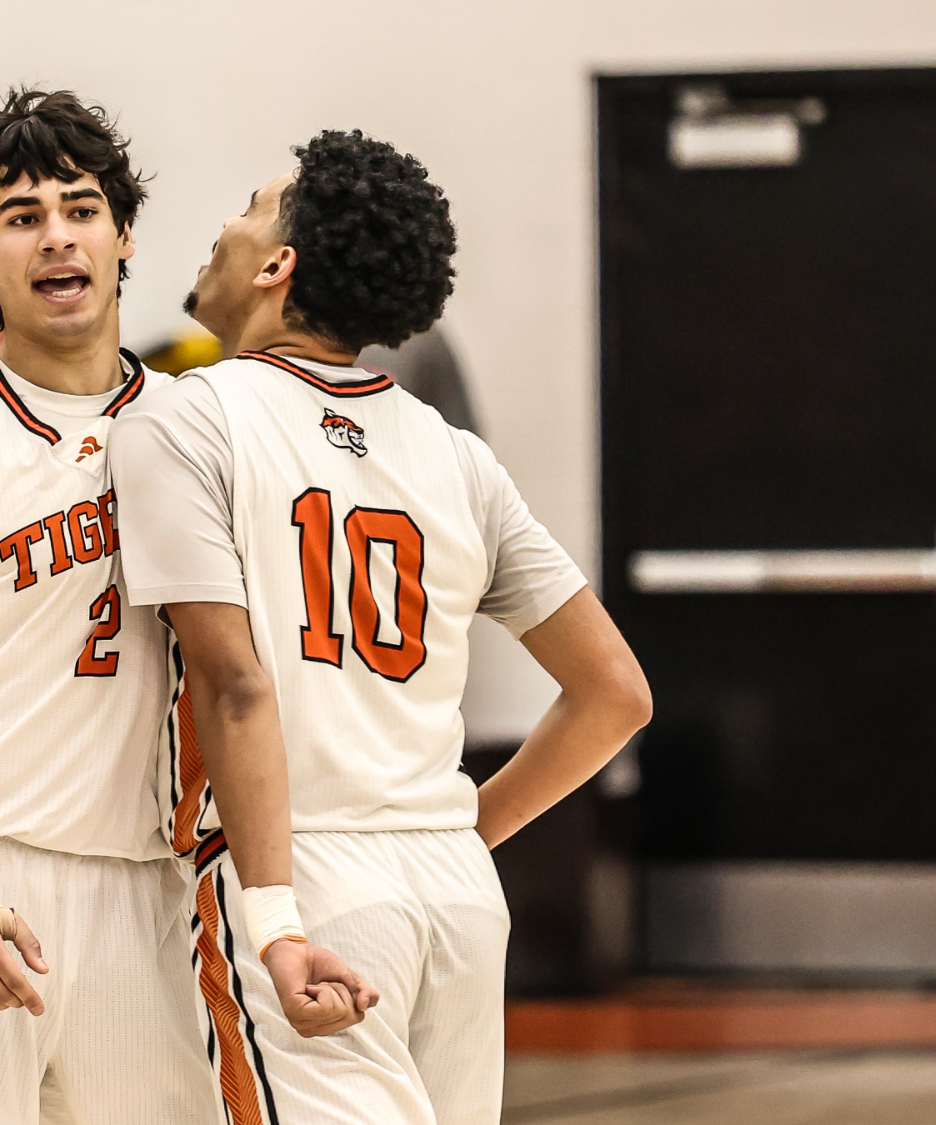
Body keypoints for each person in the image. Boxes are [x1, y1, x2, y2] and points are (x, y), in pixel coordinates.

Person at [111, 130, 653, 1125]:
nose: (223, 225)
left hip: (296, 873)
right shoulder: (456, 458)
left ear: (278, 265)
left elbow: (235, 686)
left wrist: (270, 913)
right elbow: (615, 694)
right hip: (450, 890)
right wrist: (463, 833)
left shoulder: (184, 419)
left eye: (248, 204)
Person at [0, 88, 256, 1125]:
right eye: (20, 218)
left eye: (77, 208)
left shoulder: (206, 432)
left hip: (148, 893)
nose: (54, 237)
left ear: (122, 236)